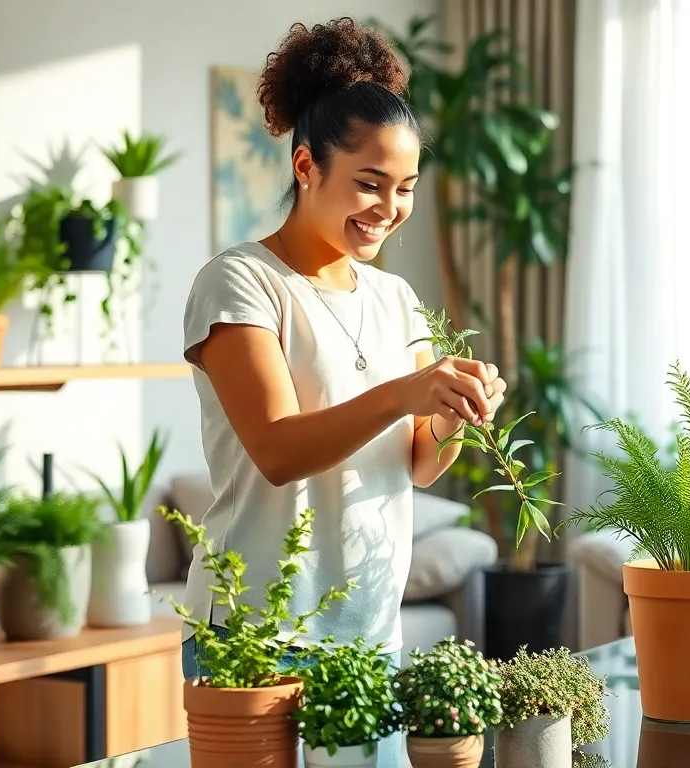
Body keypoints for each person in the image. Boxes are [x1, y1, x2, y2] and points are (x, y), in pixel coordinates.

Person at [179, 18, 505, 765]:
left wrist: (458, 408)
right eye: (368, 183)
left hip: (366, 628)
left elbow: (420, 464)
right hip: (254, 626)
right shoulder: (240, 282)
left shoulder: (396, 298)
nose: (389, 208)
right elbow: (277, 450)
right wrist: (404, 392)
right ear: (306, 165)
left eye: (406, 189)